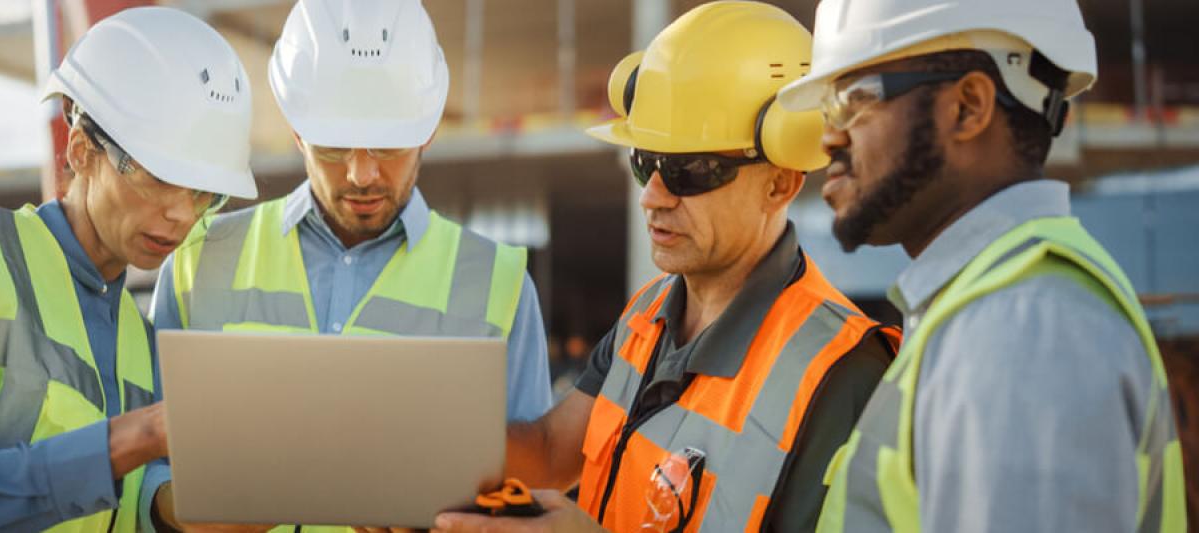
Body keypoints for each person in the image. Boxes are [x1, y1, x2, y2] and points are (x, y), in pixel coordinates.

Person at [434, 3, 900, 532]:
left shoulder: (841, 376)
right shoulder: (646, 314)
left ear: (780, 184)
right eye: (645, 162)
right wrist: (414, 458)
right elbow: (547, 452)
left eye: (689, 170)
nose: (652, 196)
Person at [773, 0, 1188, 531]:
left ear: (968, 107)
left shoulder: (1022, 334)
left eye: (856, 101)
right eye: (828, 109)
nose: (829, 137)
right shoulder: (998, 309)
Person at [144, 0, 553, 531]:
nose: (361, 174)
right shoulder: (199, 260)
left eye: (387, 146)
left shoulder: (500, 286)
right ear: (296, 130)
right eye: (334, 147)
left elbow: (531, 497)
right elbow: (145, 466)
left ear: (427, 131)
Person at [0, 7, 258, 531]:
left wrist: (191, 512)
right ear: (81, 150)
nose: (182, 215)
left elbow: (128, 506)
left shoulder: (141, 340)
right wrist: (139, 436)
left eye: (204, 193)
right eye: (161, 179)